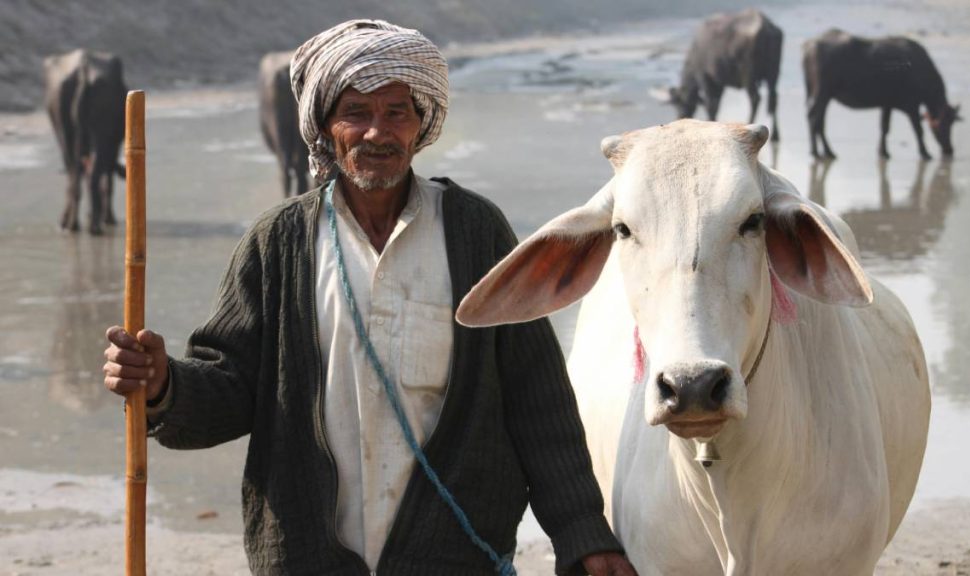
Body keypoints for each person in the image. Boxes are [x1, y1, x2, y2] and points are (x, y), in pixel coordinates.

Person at [102, 19, 637, 576]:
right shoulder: (277, 242)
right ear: (325, 127)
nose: (376, 133)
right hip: (308, 560)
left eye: (396, 113)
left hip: (454, 558)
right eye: (355, 112)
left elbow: (537, 398)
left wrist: (583, 533)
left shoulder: (475, 232)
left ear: (420, 124)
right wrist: (163, 383)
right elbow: (233, 388)